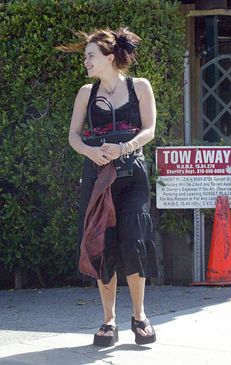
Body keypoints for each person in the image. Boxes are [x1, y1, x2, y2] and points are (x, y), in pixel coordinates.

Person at [65, 28, 158, 346]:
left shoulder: (140, 87)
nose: (86, 62)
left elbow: (150, 129)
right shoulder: (85, 94)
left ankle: (140, 316)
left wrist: (125, 147)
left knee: (134, 241)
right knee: (102, 244)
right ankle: (108, 322)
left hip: (132, 177)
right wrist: (91, 151)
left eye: (90, 56)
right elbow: (74, 136)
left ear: (108, 57)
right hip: (98, 178)